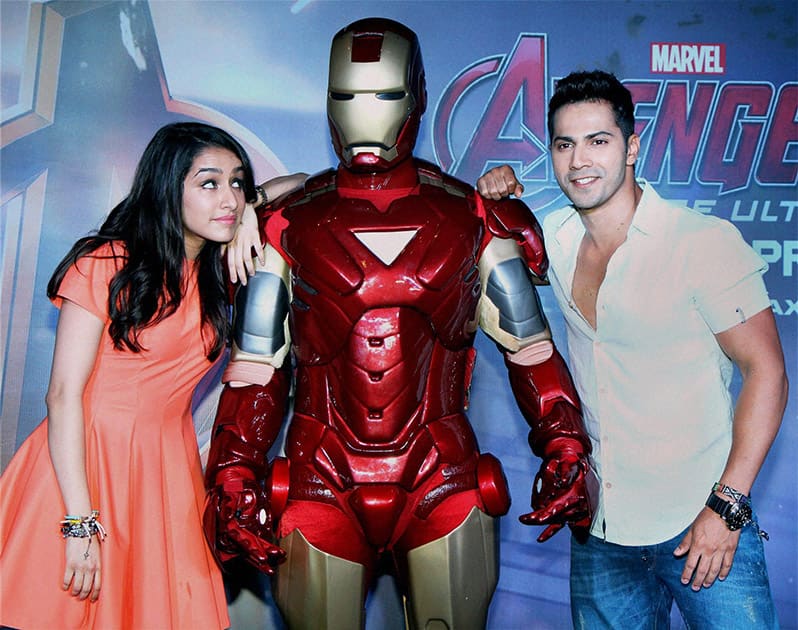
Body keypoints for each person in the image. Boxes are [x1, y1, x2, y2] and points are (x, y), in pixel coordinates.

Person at [202, 18, 597, 629]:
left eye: (383, 96)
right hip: (321, 473)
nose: (366, 115)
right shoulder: (288, 224)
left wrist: (565, 442)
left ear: (412, 96)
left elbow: (531, 348)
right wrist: (234, 470)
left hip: (439, 472)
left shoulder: (471, 216)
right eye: (349, 97)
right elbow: (257, 367)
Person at [477, 70, 788, 629]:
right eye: (565, 144)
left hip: (702, 523)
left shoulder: (701, 243)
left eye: (599, 141)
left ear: (632, 147)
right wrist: (490, 192)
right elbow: (479, 244)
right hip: (600, 532)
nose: (579, 161)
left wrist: (727, 507)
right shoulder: (556, 241)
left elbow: (766, 372)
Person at [0, 122, 260, 629]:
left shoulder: (210, 271)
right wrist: (79, 523)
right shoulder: (107, 263)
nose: (228, 196)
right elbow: (62, 396)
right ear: (168, 187)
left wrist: (254, 210)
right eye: (208, 182)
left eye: (237, 181)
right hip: (86, 466)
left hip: (167, 475)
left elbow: (302, 181)